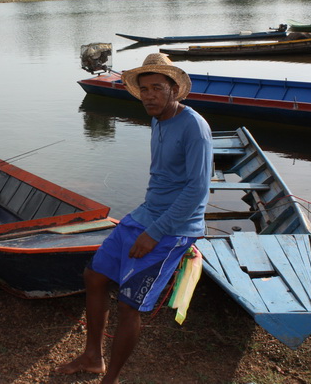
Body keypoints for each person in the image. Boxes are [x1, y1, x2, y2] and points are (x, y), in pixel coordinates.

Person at [57, 53, 213, 383]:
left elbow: (197, 190)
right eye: (144, 89)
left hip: (173, 227)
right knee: (94, 276)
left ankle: (110, 378)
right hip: (145, 215)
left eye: (157, 88)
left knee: (131, 304)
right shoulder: (158, 118)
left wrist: (154, 232)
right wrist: (144, 221)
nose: (150, 96)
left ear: (174, 89)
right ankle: (92, 357)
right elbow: (163, 178)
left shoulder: (195, 128)